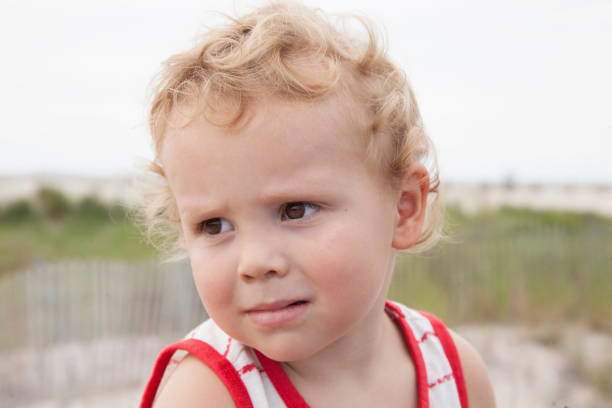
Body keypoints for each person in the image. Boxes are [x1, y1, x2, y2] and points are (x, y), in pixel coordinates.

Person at [138, 2, 495, 407]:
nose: (254, 263)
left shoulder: (454, 373)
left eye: (295, 210)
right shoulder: (209, 395)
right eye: (214, 225)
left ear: (403, 208)